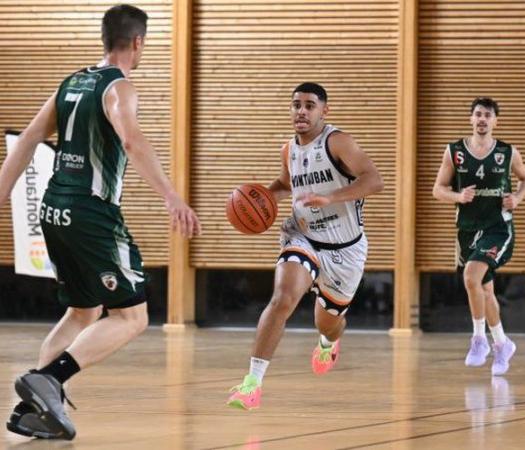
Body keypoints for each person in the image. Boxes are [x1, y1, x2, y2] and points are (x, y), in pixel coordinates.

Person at [0, 5, 200, 439]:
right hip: (91, 213)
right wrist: (171, 197)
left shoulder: (71, 83)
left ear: (104, 37)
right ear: (138, 42)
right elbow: (131, 139)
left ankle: (31, 410)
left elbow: (29, 139)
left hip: (54, 207)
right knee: (132, 317)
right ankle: (50, 379)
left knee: (83, 310)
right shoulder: (119, 88)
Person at [227, 82, 383, 410]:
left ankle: (327, 342)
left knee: (328, 323)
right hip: (302, 234)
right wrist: (261, 197)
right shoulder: (289, 149)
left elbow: (373, 180)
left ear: (324, 111)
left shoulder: (338, 142)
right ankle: (251, 384)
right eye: (296, 104)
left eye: (310, 105)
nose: (301, 110)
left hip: (345, 248)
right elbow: (286, 183)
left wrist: (330, 197)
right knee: (282, 298)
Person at [433, 97, 525, 376]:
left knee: (470, 278)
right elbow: (438, 189)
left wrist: (518, 198)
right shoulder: (454, 151)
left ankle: (479, 340)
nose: (482, 119)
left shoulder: (507, 152)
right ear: (470, 119)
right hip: (467, 230)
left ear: (495, 121)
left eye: (487, 115)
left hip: (498, 228)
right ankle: (502, 343)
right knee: (485, 291)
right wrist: (457, 196)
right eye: (477, 114)